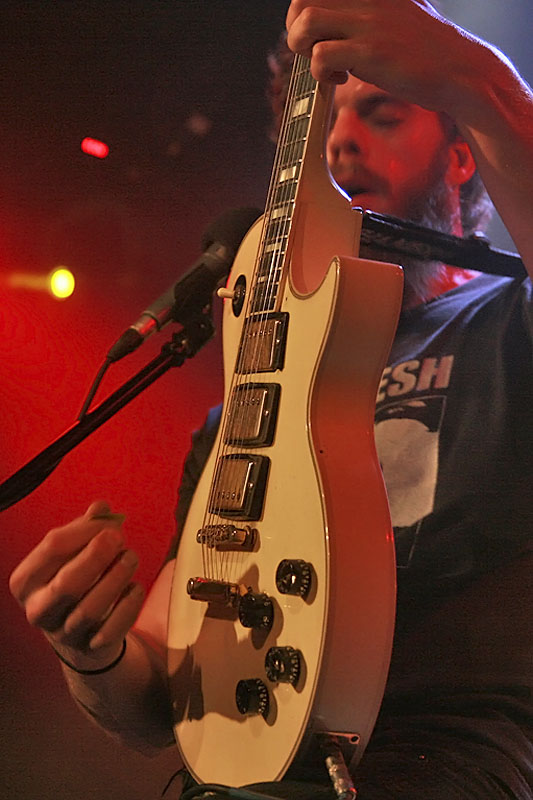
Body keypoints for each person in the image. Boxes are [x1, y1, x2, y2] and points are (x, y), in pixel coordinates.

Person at [8, 1, 533, 797]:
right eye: (321, 122)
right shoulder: (244, 407)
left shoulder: (506, 325)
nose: (339, 142)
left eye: (382, 113)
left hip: (445, 759)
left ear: (464, 156)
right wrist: (93, 654)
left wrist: (476, 80)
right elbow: (155, 693)